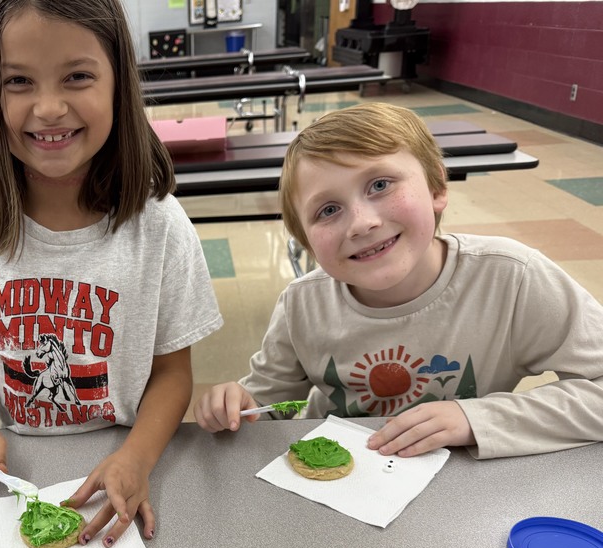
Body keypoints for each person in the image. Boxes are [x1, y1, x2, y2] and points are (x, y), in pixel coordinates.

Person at [0, 0, 223, 546]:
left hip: (132, 457)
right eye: (18, 81)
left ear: (118, 84)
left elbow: (174, 374)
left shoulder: (160, 226)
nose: (50, 107)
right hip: (23, 470)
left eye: (77, 76)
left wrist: (136, 458)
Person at [194, 102, 603, 460]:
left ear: (437, 186)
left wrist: (475, 418)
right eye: (329, 210)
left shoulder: (512, 279)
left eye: (380, 185)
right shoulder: (303, 304)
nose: (362, 223)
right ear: (306, 241)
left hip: (460, 492)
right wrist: (238, 403)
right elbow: (269, 404)